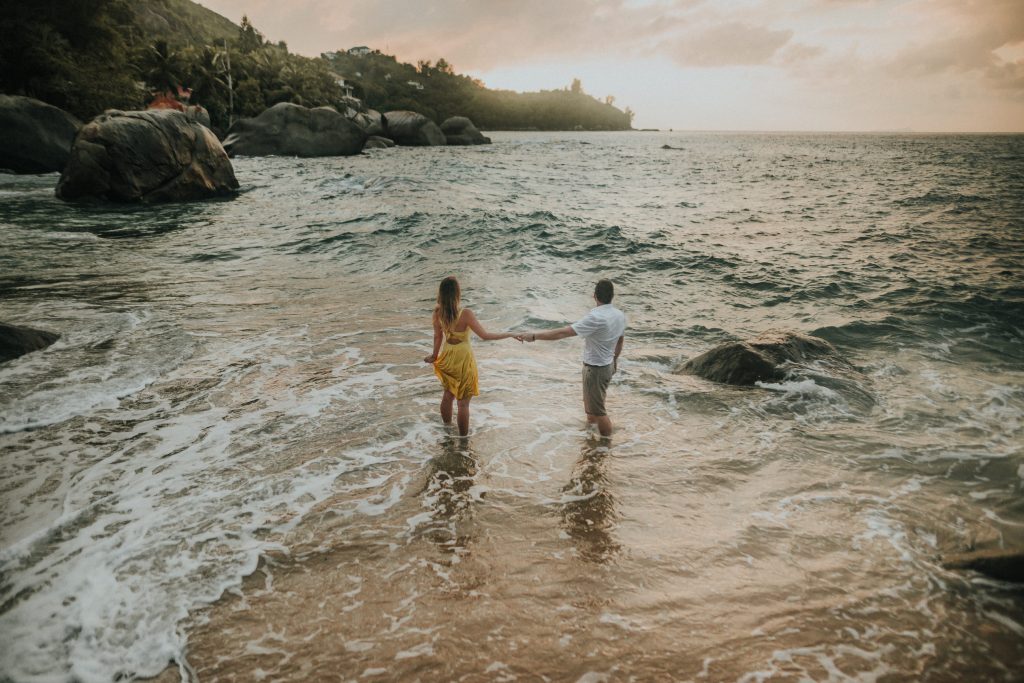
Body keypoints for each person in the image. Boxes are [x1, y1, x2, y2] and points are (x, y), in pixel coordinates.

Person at [517, 279, 625, 437]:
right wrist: (615, 360)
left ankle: (605, 447)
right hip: (607, 365)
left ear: (594, 296)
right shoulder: (619, 315)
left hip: (595, 369)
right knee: (592, 409)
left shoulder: (595, 317)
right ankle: (591, 441)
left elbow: (563, 333)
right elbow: (620, 339)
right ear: (612, 296)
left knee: (598, 411)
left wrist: (534, 336)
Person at [424, 276, 517, 436]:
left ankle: (447, 430)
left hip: (448, 355)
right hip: (463, 357)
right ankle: (463, 440)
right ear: (457, 294)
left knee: (448, 395)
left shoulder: (438, 313)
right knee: (463, 404)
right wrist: (510, 334)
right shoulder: (465, 314)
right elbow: (485, 336)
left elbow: (437, 337)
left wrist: (434, 355)